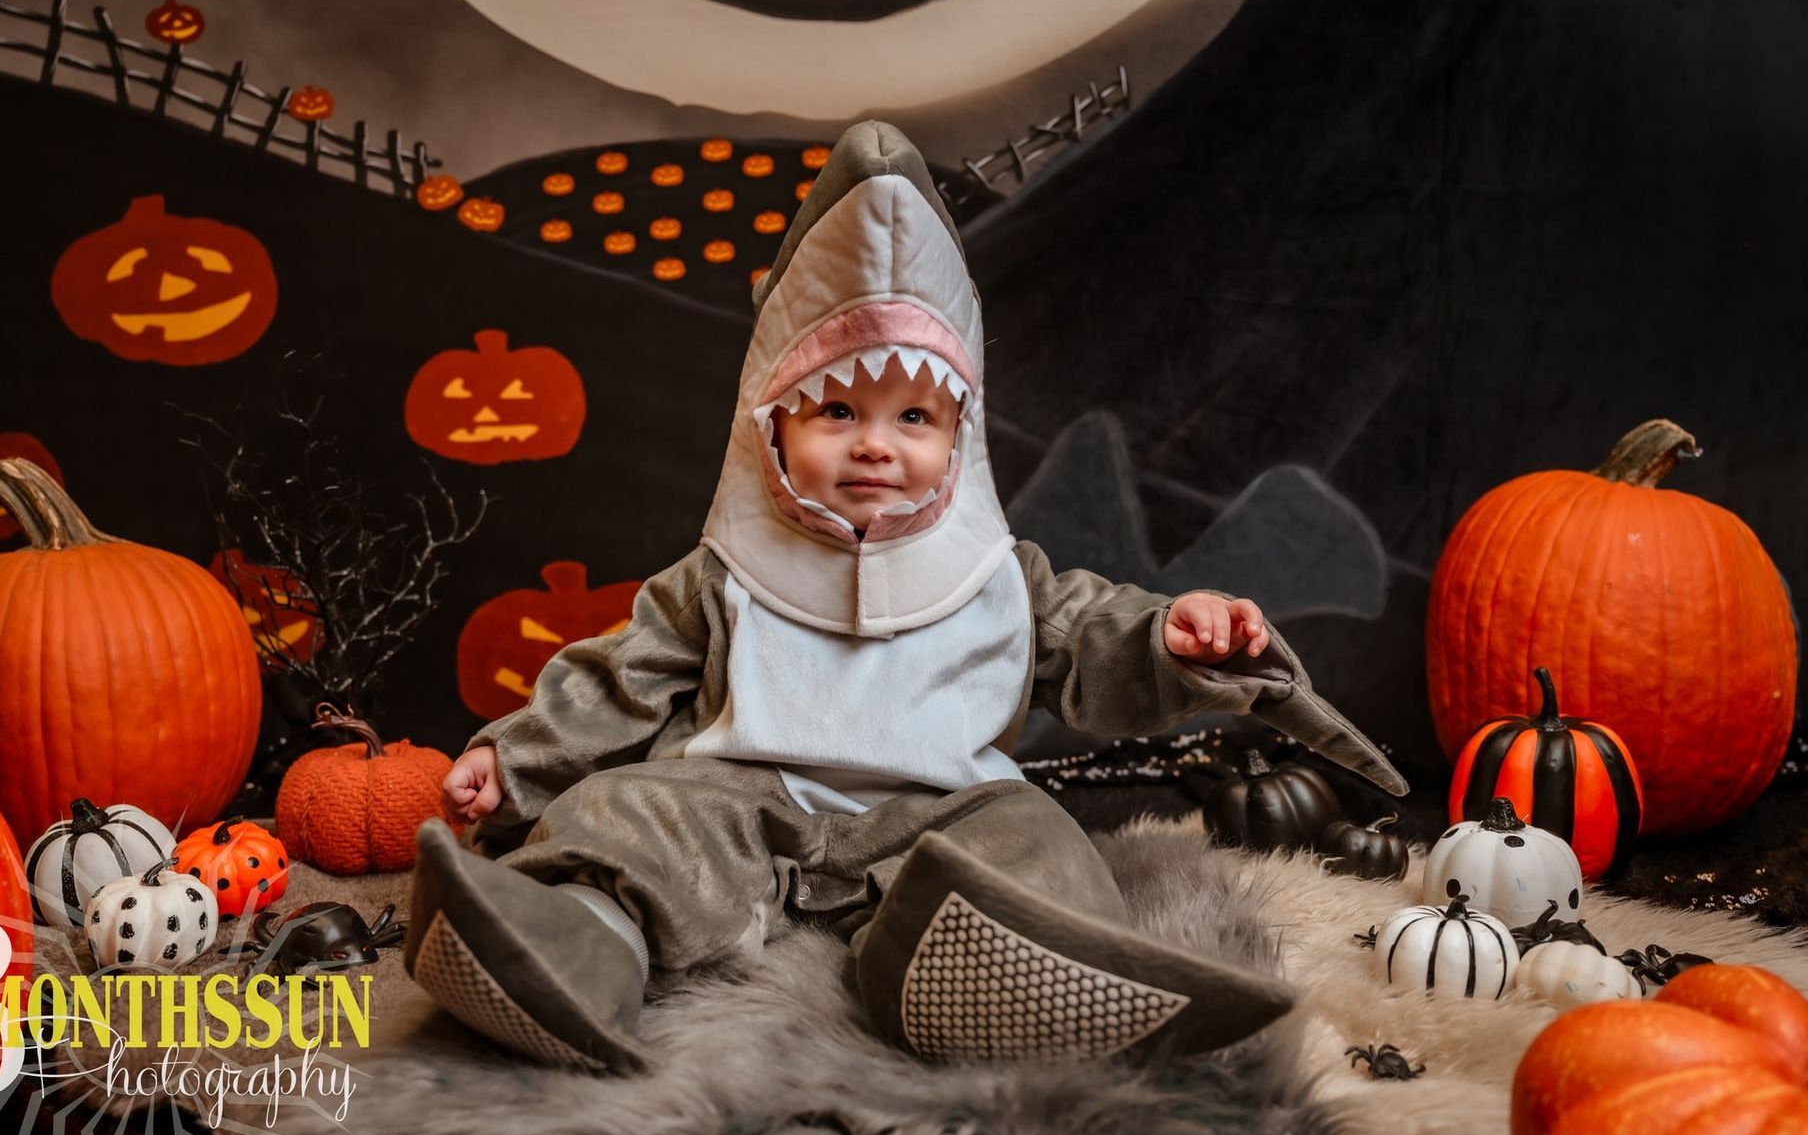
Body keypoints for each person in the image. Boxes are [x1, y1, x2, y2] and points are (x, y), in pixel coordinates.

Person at [405, 121, 1407, 1075]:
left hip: (940, 812)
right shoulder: (721, 574)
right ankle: (578, 942)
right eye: (837, 408)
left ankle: (975, 966)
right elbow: (613, 680)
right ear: (774, 428)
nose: (875, 442)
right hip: (742, 798)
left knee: (1033, 837)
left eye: (913, 414)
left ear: (958, 433)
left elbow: (1098, 639)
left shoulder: (1002, 577)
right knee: (621, 809)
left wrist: (1176, 638)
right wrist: (518, 755)